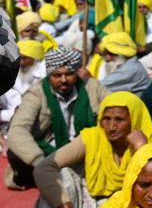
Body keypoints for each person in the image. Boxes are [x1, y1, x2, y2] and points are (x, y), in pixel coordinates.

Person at [5, 47, 109, 190]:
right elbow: (17, 130)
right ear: (49, 75)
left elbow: (114, 107)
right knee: (15, 153)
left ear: (77, 73)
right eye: (57, 75)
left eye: (69, 74)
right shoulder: (37, 93)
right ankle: (50, 176)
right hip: (50, 153)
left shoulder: (91, 86)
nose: (64, 80)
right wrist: (42, 163)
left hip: (85, 148)